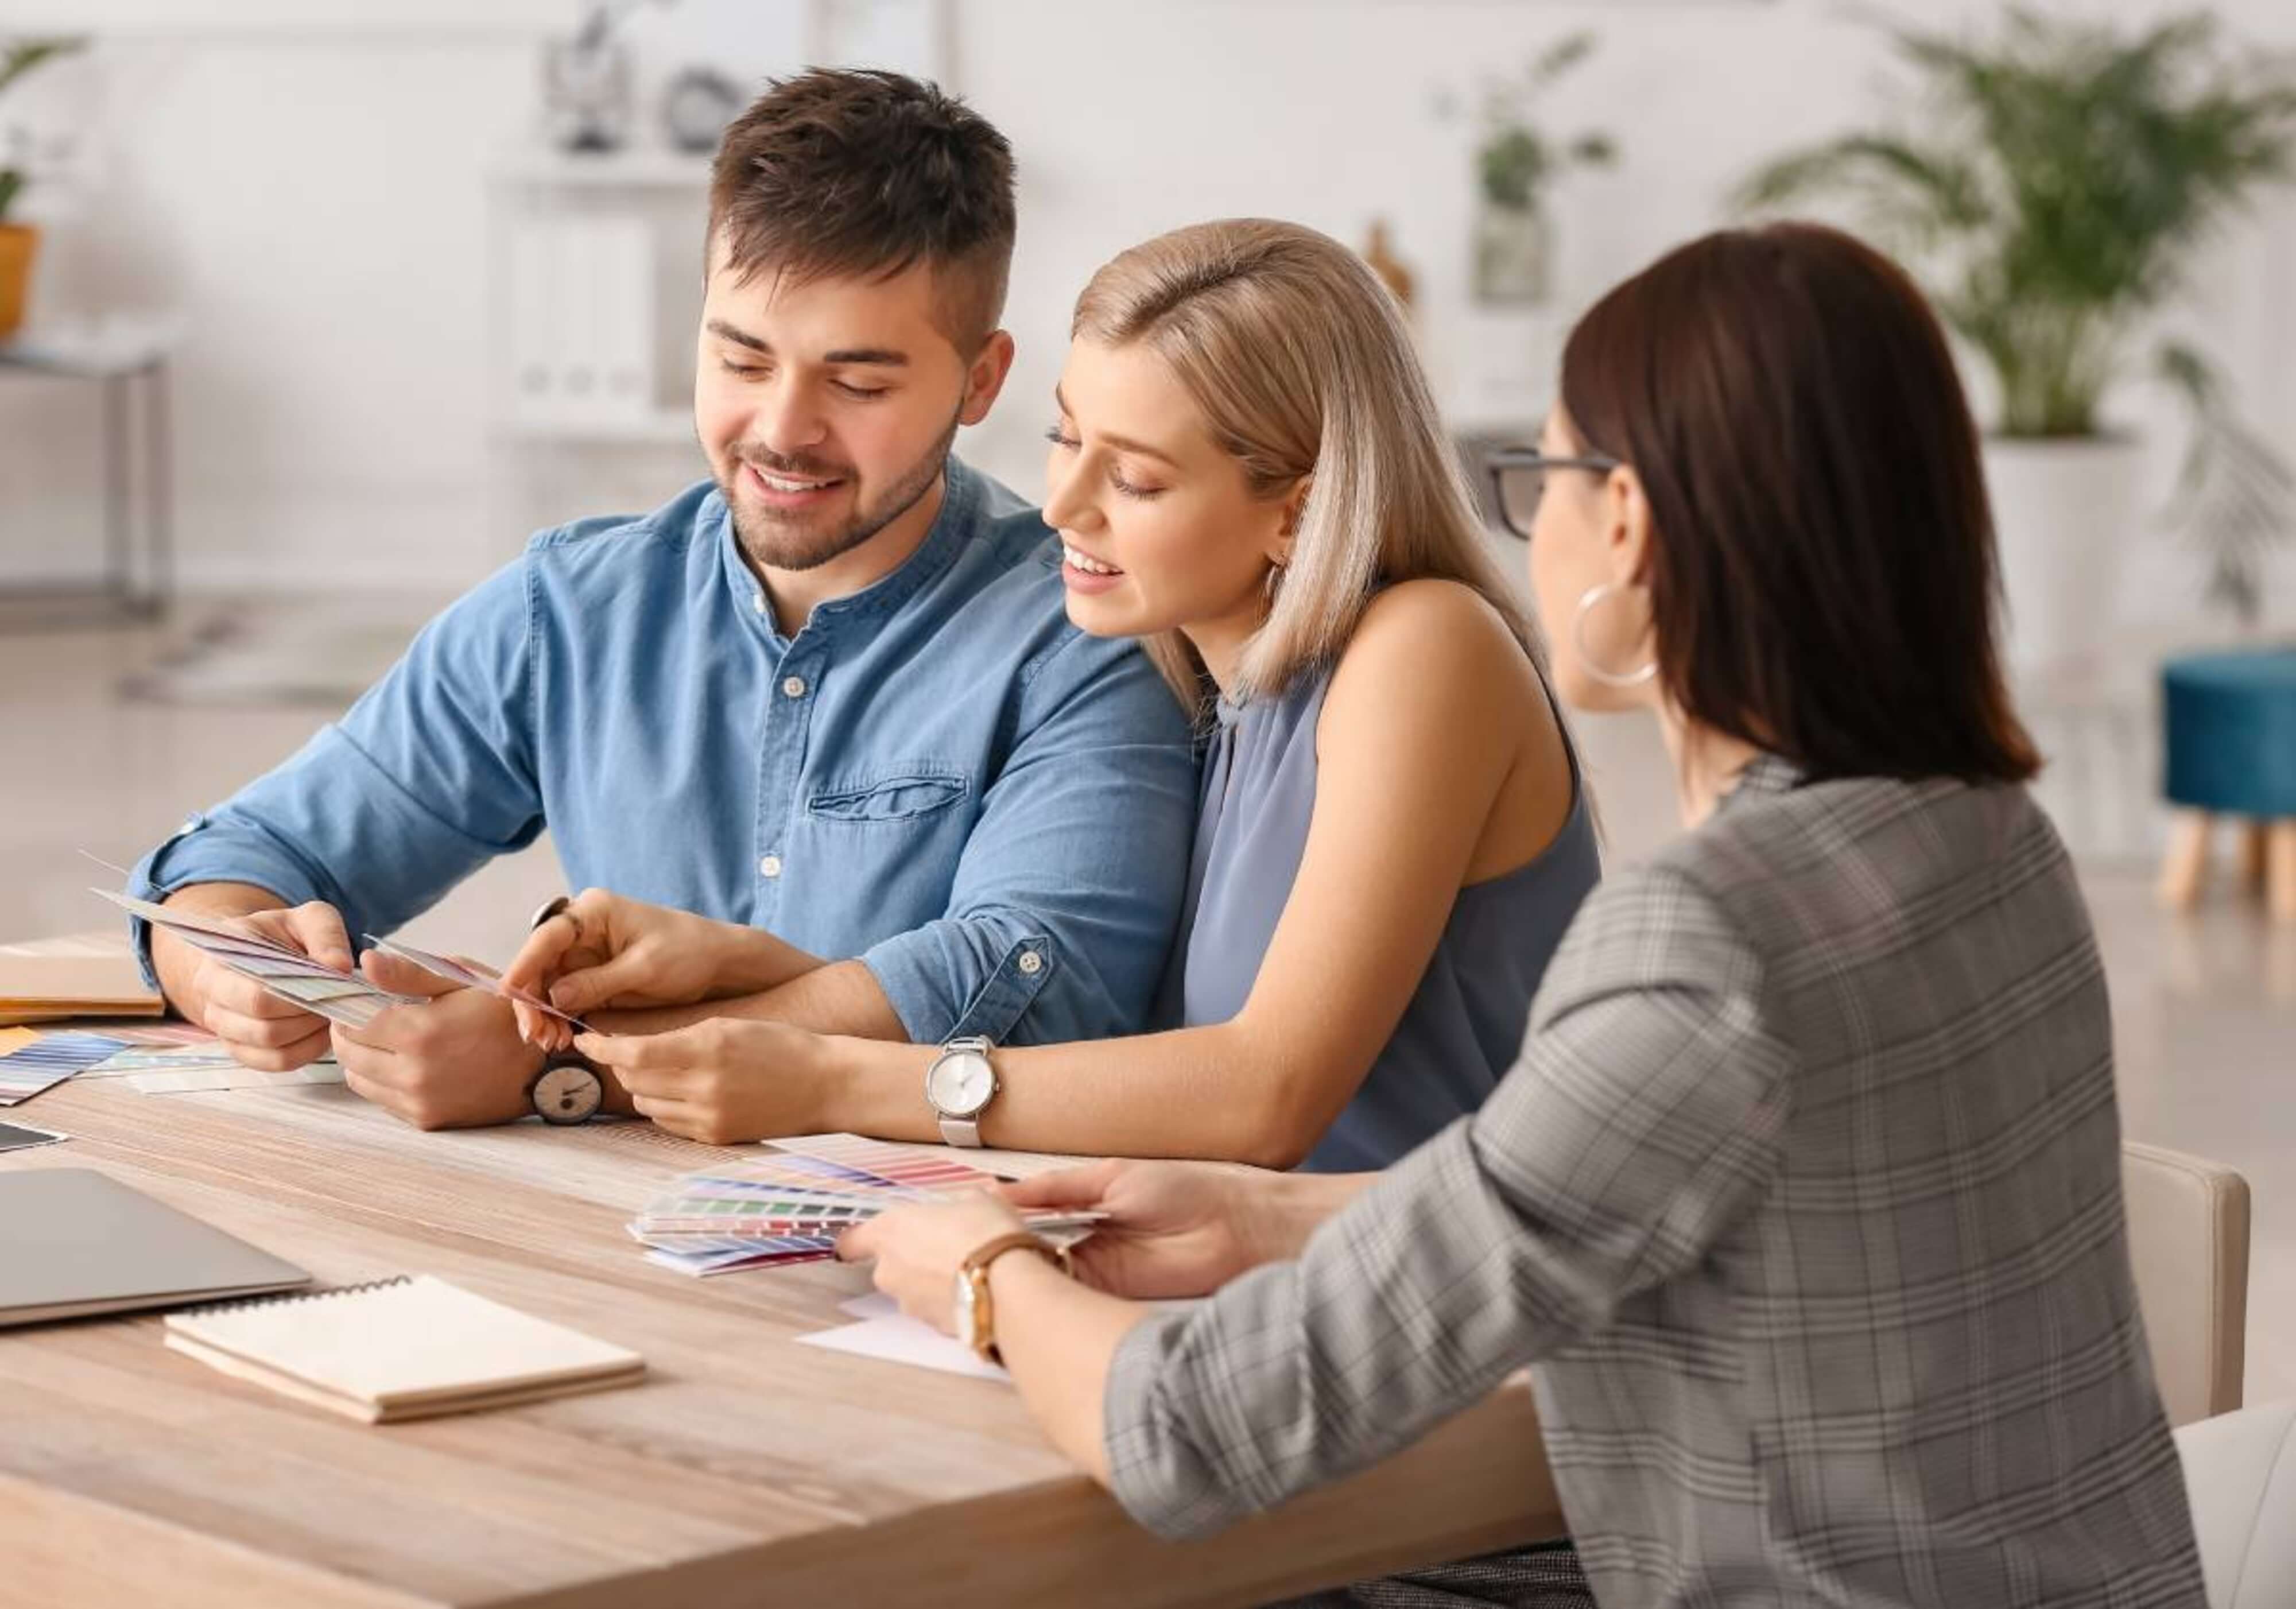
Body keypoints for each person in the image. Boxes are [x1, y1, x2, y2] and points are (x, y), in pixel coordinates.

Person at [839, 223, 2208, 1609]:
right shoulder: (1990, 838)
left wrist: (990, 1274)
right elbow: (1665, 1195)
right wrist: (1264, 1219)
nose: (1524, 525)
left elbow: (1191, 1430)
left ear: (1625, 525)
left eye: (1540, 477)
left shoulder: (1703, 938)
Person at [122, 69, 1198, 1130]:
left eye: (859, 384)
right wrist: (228, 967)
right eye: (741, 358)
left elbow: (1040, 984)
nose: (783, 429)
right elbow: (239, 860)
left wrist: (566, 1067)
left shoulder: (1082, 632)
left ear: (980, 380)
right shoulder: (575, 609)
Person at [503, 220, 1597, 1170]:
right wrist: (756, 974)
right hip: (1238, 1277)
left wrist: (829, 1080)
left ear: (1297, 512)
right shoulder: (1210, 690)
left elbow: (1266, 1095)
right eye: (1066, 437)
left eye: (1134, 478)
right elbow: (1125, 1054)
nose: (1064, 507)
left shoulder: (1423, 651)